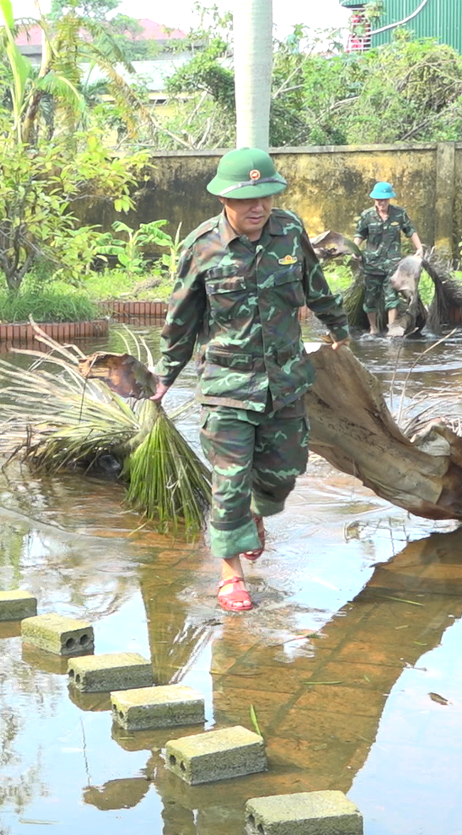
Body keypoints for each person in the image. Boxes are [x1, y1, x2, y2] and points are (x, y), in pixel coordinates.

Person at [150, 148, 350, 613]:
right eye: (247, 200)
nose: (257, 207)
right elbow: (180, 320)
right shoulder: (202, 247)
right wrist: (164, 376)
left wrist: (337, 327)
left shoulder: (290, 231)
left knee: (283, 473)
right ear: (223, 199)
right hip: (226, 385)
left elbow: (314, 282)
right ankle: (230, 576)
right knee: (230, 482)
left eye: (266, 196)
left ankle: (258, 515)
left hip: (285, 382)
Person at [354, 182, 422, 336]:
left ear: (390, 199)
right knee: (370, 300)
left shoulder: (399, 214)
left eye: (384, 200)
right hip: (372, 265)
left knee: (392, 298)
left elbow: (410, 230)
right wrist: (355, 249)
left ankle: (391, 329)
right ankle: (373, 329)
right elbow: (360, 234)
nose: (381, 203)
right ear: (374, 200)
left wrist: (419, 248)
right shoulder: (367, 216)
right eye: (378, 200)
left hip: (393, 265)